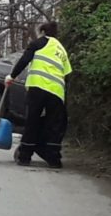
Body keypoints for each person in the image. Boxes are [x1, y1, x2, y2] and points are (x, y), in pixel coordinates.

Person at [5, 21, 71, 168]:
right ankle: (54, 158)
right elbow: (67, 75)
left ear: (42, 32)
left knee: (32, 121)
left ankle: (25, 156)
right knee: (54, 125)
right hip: (56, 92)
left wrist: (12, 76)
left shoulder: (38, 43)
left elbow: (24, 60)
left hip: (38, 87)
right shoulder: (62, 50)